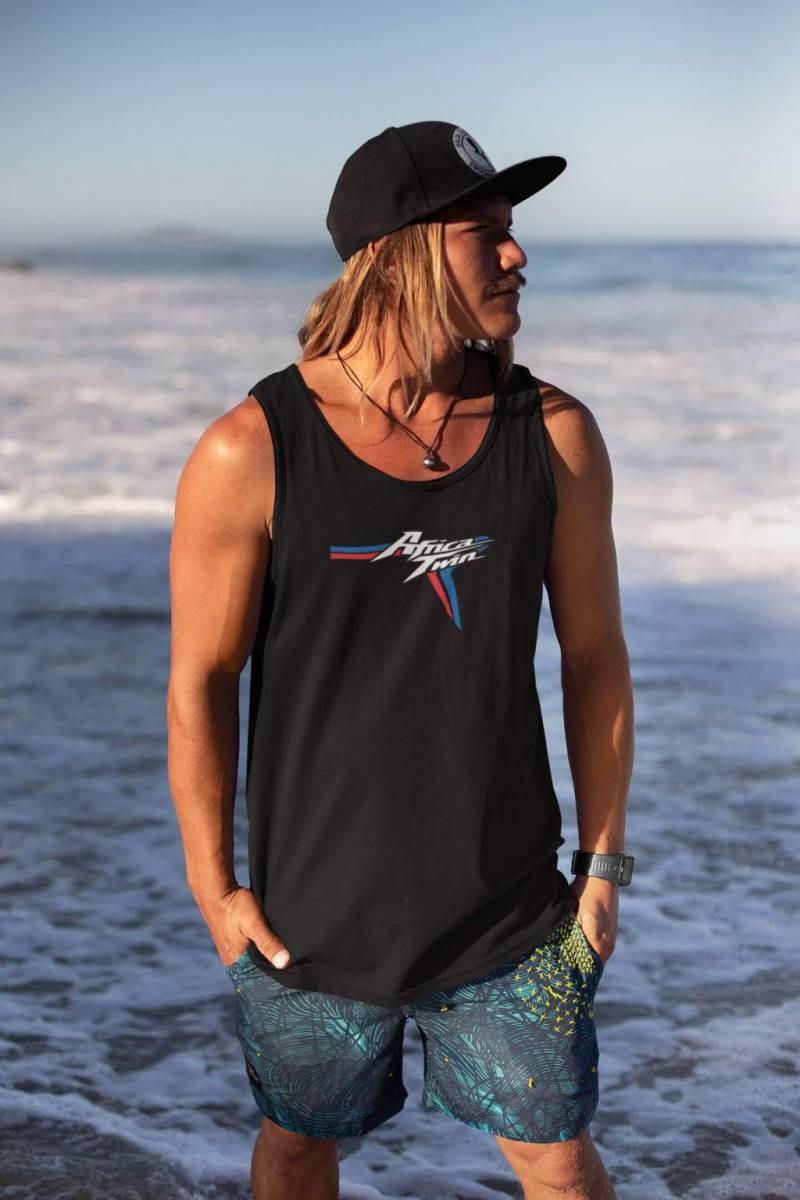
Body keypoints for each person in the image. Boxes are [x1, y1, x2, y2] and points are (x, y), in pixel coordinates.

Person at [167, 121, 634, 1200]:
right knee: (298, 1148)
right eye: (485, 233)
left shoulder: (550, 433)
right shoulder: (251, 448)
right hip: (311, 921)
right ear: (394, 256)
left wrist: (604, 867)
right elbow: (201, 679)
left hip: (509, 911)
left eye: (511, 230)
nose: (517, 254)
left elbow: (595, 657)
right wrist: (214, 889)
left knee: (560, 1167)